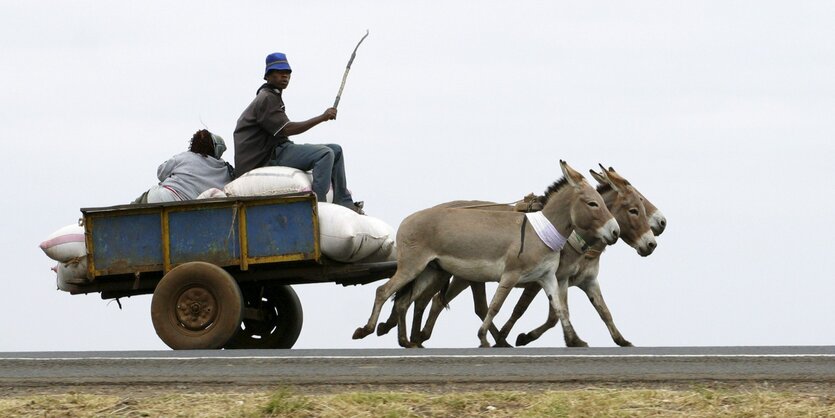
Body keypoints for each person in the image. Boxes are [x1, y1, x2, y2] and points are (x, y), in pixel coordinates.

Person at [233, 52, 364, 214]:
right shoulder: (266, 98)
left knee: (336, 150)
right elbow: (287, 129)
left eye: (287, 72)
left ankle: (344, 202)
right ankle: (319, 207)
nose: (285, 76)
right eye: (279, 72)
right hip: (266, 157)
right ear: (267, 75)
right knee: (325, 154)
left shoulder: (273, 96)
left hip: (278, 149)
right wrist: (322, 117)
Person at [132, 129, 234, 204]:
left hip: (159, 197)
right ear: (217, 151)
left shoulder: (184, 157)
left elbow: (160, 172)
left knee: (129, 212)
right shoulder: (226, 171)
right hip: (184, 211)